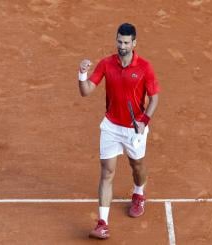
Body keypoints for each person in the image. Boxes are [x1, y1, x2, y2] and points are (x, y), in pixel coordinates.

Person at [77, 23, 160, 239]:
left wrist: (144, 121)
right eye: (119, 41)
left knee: (137, 165)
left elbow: (154, 97)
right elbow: (86, 92)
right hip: (111, 126)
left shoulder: (144, 67)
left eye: (126, 42)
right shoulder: (106, 64)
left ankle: (138, 193)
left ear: (134, 43)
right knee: (107, 172)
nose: (121, 46)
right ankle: (102, 223)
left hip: (135, 128)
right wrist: (82, 74)